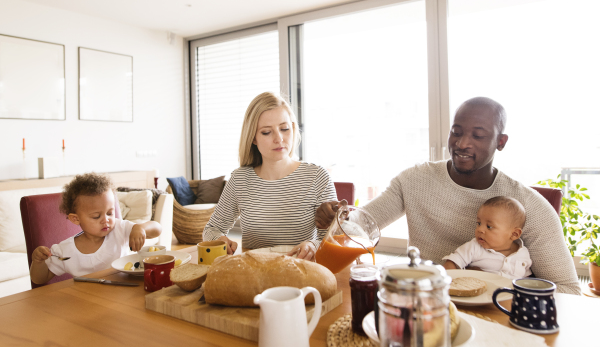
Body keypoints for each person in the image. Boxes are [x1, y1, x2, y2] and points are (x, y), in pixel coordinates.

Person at [316, 97, 580, 295]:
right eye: (456, 132)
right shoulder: (414, 180)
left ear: (501, 142)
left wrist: (496, 287)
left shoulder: (528, 206)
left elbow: (569, 289)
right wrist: (335, 220)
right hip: (426, 301)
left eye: (478, 135)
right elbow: (360, 227)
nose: (462, 143)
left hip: (499, 311)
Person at [202, 91, 337, 261]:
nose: (279, 138)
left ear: (293, 129)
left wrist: (313, 246)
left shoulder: (317, 177)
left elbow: (334, 238)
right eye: (267, 132)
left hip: (303, 274)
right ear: (253, 138)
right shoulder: (239, 180)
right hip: (255, 276)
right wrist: (220, 240)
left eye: (284, 129)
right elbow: (211, 229)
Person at [29, 173, 162, 285]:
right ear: (75, 219)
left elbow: (157, 228)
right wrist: (38, 262)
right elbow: (39, 279)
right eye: (96, 216)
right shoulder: (65, 251)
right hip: (87, 303)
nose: (106, 220)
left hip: (124, 294)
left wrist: (140, 228)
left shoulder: (120, 229)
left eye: (110, 213)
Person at [442, 196, 532, 279]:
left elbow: (526, 280)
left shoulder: (523, 254)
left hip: (509, 295)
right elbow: (452, 262)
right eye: (479, 223)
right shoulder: (475, 247)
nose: (480, 229)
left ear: (514, 234)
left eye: (489, 226)